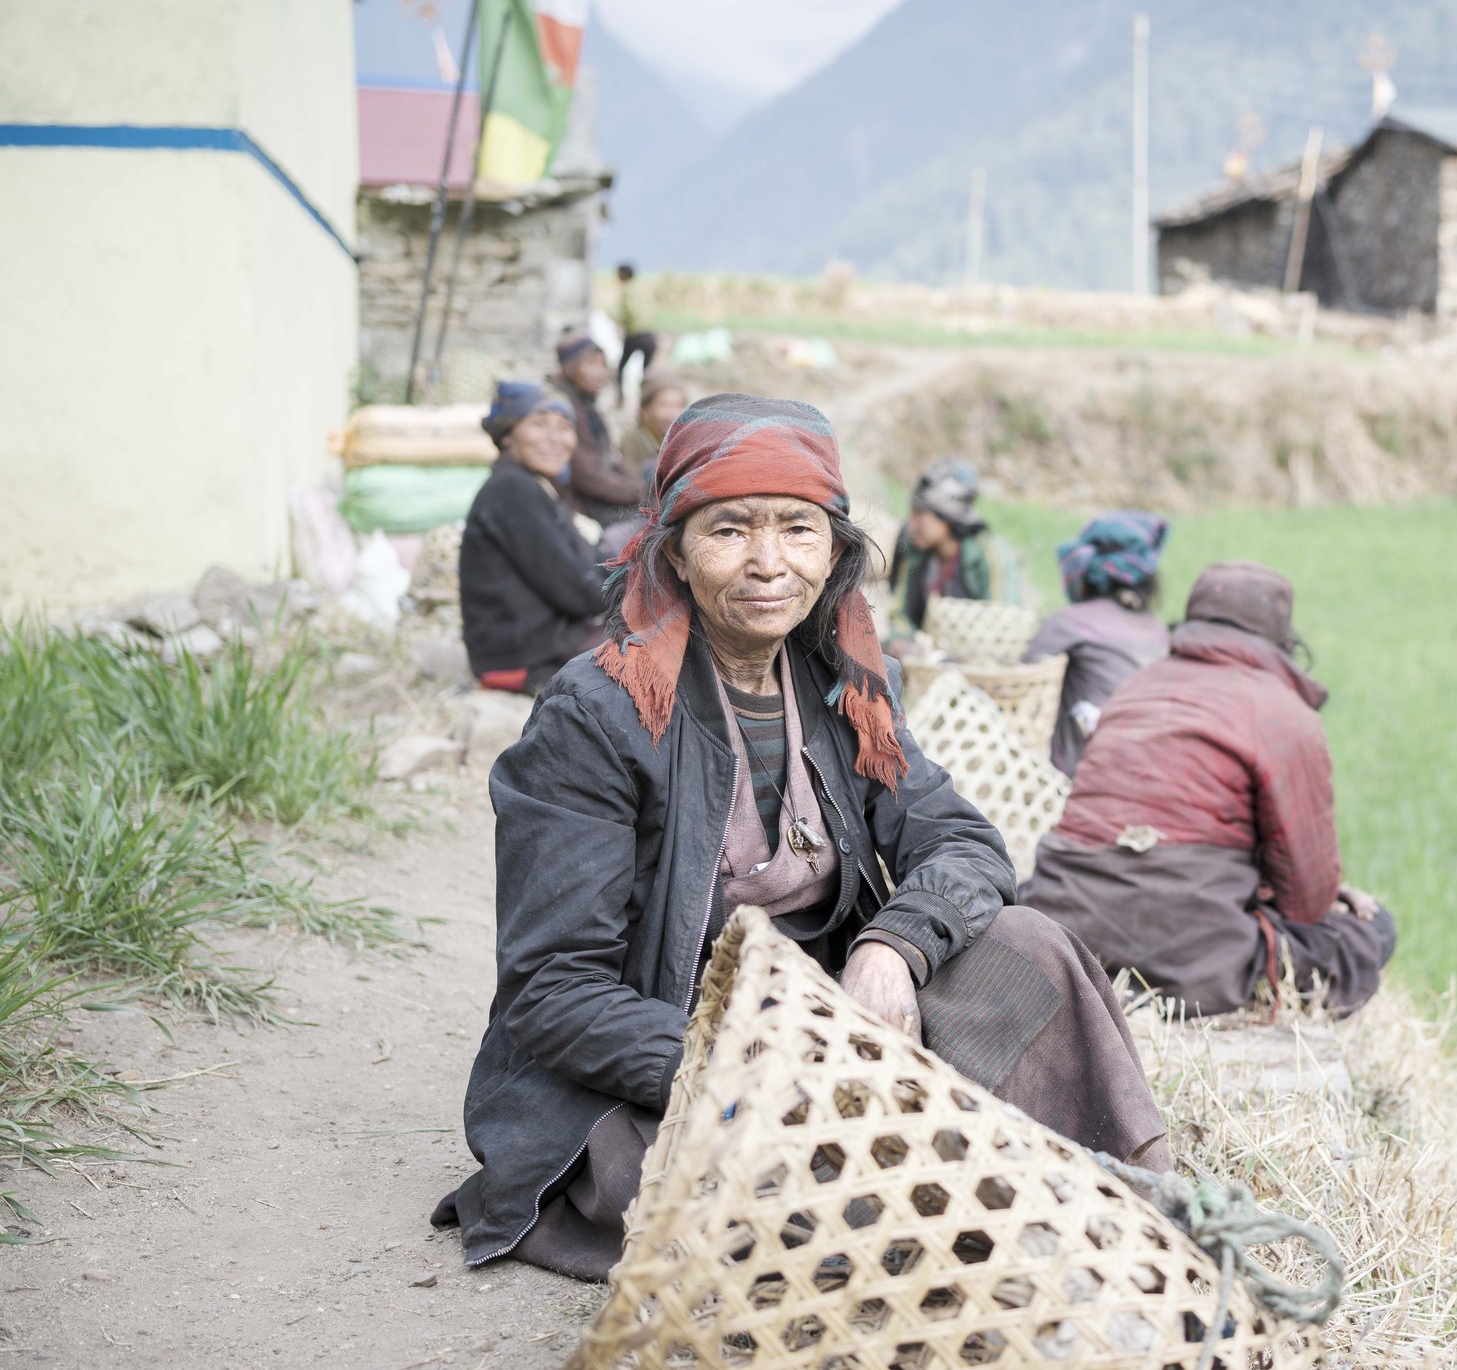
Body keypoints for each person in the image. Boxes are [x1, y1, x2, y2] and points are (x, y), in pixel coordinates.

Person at [433, 393, 1170, 1280]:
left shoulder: (849, 684)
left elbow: (964, 845)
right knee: (814, 1194)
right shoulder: (596, 716)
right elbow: (555, 991)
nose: (768, 563)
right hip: (674, 1061)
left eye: (797, 528)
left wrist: (892, 950)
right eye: (730, 530)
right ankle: (948, 1201)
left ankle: (1133, 1214)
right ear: (673, 549)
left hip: (831, 1020)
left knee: (1031, 946)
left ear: (836, 546)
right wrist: (770, 1065)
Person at [1021, 562, 1395, 1018]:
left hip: (1063, 930)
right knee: (1371, 936)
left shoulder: (1136, 687)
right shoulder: (1284, 713)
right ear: (1282, 642)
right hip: (1185, 955)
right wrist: (1328, 894)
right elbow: (1307, 899)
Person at [457, 380, 604, 695]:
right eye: (538, 424)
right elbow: (577, 593)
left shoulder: (534, 486)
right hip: (523, 658)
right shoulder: (511, 490)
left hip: (537, 646)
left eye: (564, 427)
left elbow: (585, 565)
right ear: (508, 434)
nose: (554, 438)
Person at [1024, 511, 1171, 775]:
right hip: (1147, 767)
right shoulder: (1157, 629)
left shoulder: (1071, 621)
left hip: (1080, 775)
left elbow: (1018, 678)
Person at [549, 333, 644, 536]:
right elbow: (586, 476)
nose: (599, 373)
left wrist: (638, 487)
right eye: (590, 364)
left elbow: (610, 457)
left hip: (598, 492)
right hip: (578, 502)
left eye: (602, 365)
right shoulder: (563, 408)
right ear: (569, 367)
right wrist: (637, 492)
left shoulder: (587, 406)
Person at [888, 458, 997, 631]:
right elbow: (899, 614)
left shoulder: (987, 556)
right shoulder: (913, 546)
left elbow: (1001, 621)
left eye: (919, 515)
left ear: (946, 518)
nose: (912, 524)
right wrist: (902, 640)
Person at [609, 365, 689, 556]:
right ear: (644, 410)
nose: (672, 413)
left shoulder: (673, 441)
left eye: (678, 405)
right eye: (664, 405)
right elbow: (636, 485)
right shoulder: (634, 440)